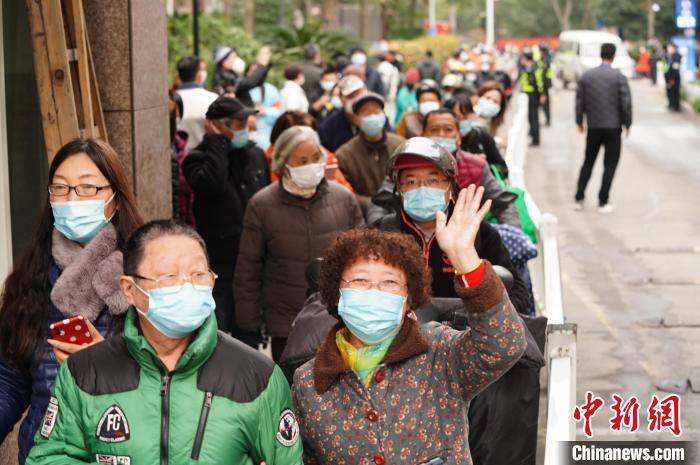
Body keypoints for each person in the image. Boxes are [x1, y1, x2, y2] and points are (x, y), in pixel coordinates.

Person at [25, 220, 303, 465]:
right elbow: (50, 456)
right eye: (169, 276)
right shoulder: (84, 372)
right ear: (129, 290)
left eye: (198, 275)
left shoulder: (258, 377)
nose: (187, 287)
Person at [292, 187, 527, 465]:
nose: (374, 292)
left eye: (389, 283)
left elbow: (504, 346)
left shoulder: (439, 353)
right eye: (360, 281)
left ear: (408, 301)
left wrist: (466, 260)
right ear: (336, 293)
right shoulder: (308, 381)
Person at [0, 139, 144, 464]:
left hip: (125, 449)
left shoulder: (147, 274)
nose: (71, 199)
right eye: (61, 188)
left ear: (115, 199)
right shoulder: (31, 278)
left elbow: (172, 380)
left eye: (88, 188)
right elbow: (10, 377)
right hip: (47, 451)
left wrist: (103, 362)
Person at [235, 127, 364, 362]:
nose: (312, 165)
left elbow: (362, 256)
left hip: (339, 317)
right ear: (285, 165)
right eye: (302, 160)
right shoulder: (262, 205)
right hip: (286, 320)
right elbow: (249, 267)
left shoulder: (343, 199)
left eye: (316, 157)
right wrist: (249, 321)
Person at [373, 137, 529, 314]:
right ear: (398, 190)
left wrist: (487, 314)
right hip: (398, 337)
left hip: (467, 335)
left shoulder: (477, 233)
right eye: (411, 182)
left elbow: (517, 293)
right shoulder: (380, 234)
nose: (422, 189)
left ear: (450, 186)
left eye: (433, 181)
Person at [182, 96, 270, 341]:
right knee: (218, 337)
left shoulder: (255, 155)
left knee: (249, 338)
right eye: (236, 124)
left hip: (252, 266)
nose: (243, 130)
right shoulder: (197, 159)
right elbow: (213, 183)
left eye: (245, 123)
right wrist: (216, 143)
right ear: (215, 126)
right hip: (219, 266)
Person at [422, 109, 520, 228]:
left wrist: (512, 235)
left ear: (458, 136)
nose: (441, 134)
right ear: (423, 135)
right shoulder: (408, 165)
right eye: (434, 130)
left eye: (448, 129)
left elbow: (503, 203)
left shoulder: (477, 165)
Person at [574, 42, 632, 213]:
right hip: (613, 128)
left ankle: (579, 198)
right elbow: (626, 103)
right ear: (613, 56)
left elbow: (579, 101)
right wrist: (627, 124)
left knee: (588, 162)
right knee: (610, 165)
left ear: (600, 55)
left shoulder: (587, 76)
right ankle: (603, 201)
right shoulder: (619, 77)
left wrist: (579, 121)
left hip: (593, 127)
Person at [335, 92, 405, 210]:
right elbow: (344, 191)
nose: (372, 117)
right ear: (356, 119)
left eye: (376, 112)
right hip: (362, 215)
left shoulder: (401, 145)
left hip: (400, 210)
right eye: (366, 113)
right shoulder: (344, 155)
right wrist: (371, 204)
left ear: (384, 115)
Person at [265, 111, 352, 190]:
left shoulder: (326, 158)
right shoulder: (267, 163)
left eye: (311, 134)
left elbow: (347, 192)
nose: (306, 140)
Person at [447, 93, 509, 176]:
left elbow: (503, 170)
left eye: (465, 117)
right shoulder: (440, 141)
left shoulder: (482, 136)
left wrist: (482, 165)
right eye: (457, 118)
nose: (460, 122)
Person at [174, 56, 218, 152]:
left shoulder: (170, 101)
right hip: (205, 159)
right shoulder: (213, 99)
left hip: (178, 160)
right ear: (199, 74)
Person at [317, 74, 368, 152]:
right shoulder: (329, 126)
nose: (356, 99)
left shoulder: (376, 117)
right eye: (350, 96)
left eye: (359, 93)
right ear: (341, 99)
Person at [249, 64, 283, 152]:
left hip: (267, 134)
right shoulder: (243, 90)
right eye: (252, 72)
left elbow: (279, 111)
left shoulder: (271, 90)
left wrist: (266, 111)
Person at [518, 48, 544, 146]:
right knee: (530, 117)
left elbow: (539, 83)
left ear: (525, 58)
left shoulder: (533, 68)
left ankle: (535, 140)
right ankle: (533, 135)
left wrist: (541, 95)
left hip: (532, 96)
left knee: (534, 118)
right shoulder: (526, 67)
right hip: (527, 95)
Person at [663, 43, 682, 112]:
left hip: (675, 78)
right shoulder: (669, 56)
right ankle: (671, 105)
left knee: (675, 92)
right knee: (670, 92)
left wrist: (673, 78)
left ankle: (676, 107)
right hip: (669, 77)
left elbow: (675, 68)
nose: (669, 49)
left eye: (670, 47)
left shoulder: (677, 56)